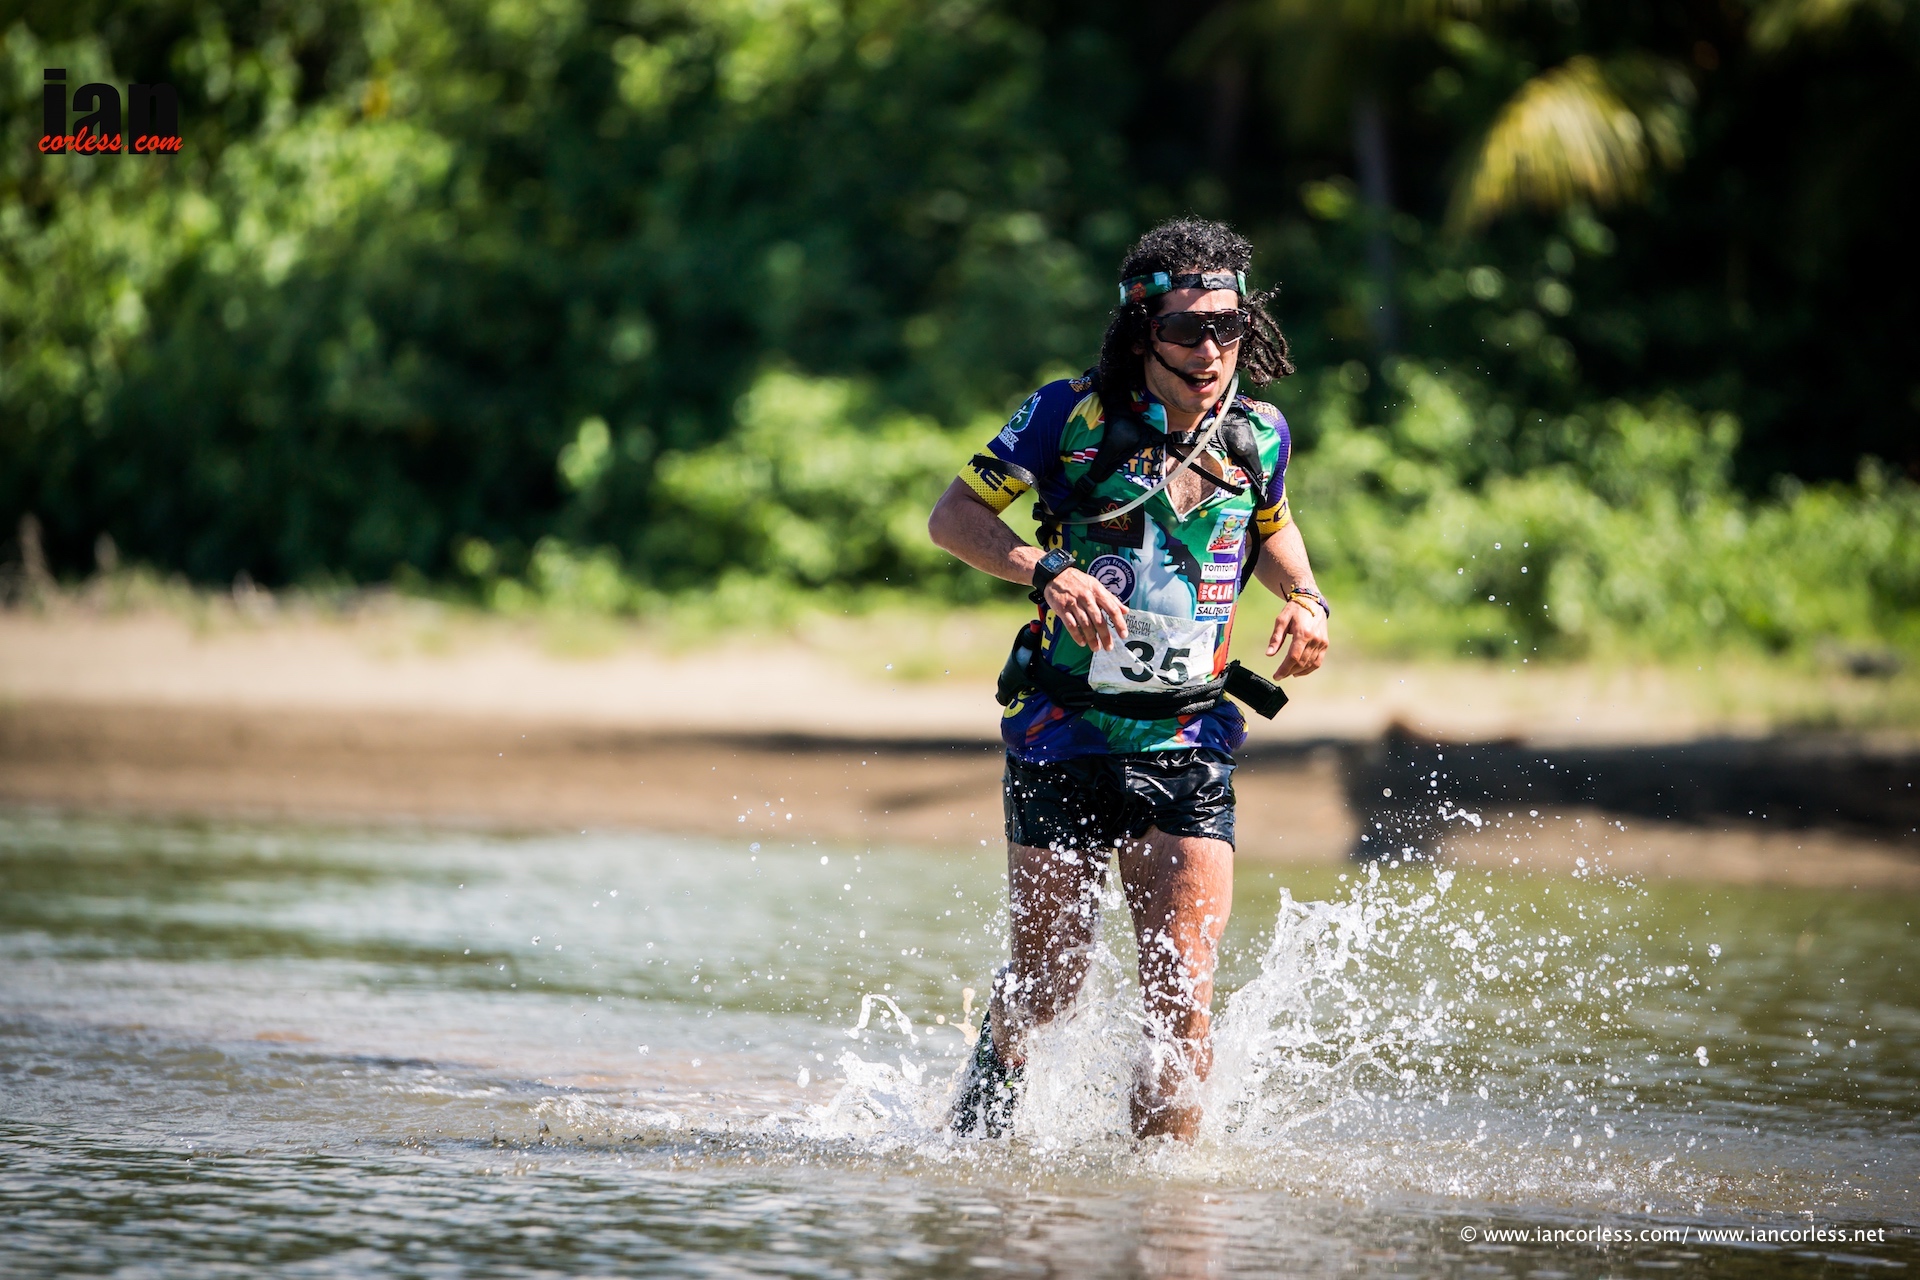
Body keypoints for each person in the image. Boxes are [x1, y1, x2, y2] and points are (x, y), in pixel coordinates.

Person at [926, 218, 1330, 1141]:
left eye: (1228, 328)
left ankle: (1166, 1201)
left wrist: (1307, 599)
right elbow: (953, 518)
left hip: (1189, 737)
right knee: (1049, 984)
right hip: (1062, 730)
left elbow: (1271, 524)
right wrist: (1046, 571)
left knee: (1182, 997)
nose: (1210, 351)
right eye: (1186, 329)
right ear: (1142, 330)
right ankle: (981, 1118)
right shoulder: (1066, 415)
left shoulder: (1259, 431)